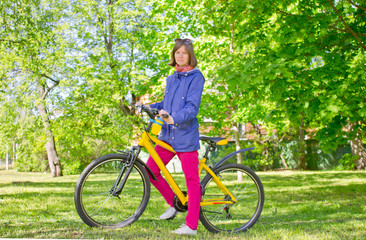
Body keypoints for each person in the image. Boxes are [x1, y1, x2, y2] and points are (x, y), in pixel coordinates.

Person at [137, 38, 205, 235]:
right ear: (174, 55)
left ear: (190, 55)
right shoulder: (172, 77)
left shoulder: (196, 77)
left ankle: (191, 225)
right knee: (151, 170)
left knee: (191, 180)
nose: (180, 55)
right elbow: (166, 103)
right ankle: (174, 203)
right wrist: (150, 107)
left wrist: (173, 118)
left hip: (185, 137)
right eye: (177, 52)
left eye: (184, 52)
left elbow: (192, 108)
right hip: (167, 137)